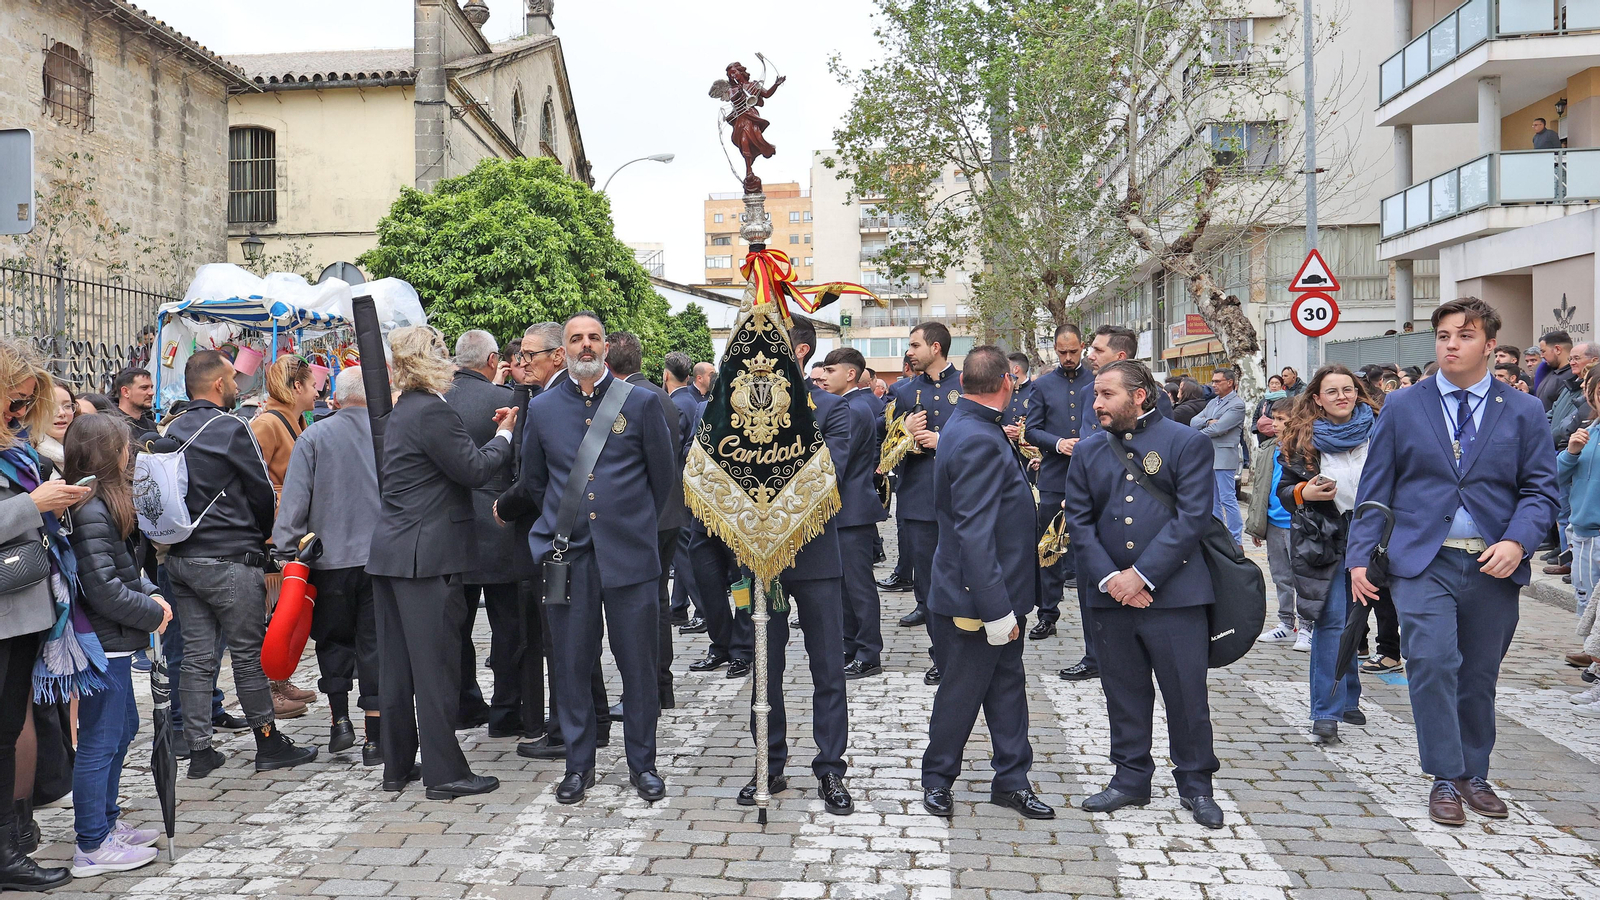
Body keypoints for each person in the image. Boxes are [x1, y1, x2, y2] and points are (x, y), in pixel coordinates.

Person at [1349, 296, 1559, 826]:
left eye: (1465, 335)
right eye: (1444, 335)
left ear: (1490, 345)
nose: (1451, 345)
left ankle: (1473, 773)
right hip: (1423, 561)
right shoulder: (1404, 405)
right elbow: (1376, 488)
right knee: (1433, 662)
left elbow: (1540, 490)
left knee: (1478, 674)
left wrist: (1517, 542)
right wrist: (1359, 558)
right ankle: (1444, 774)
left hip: (1494, 565)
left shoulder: (1524, 410)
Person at [513, 312, 673, 805]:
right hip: (570, 559)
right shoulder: (543, 408)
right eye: (576, 338)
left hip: (630, 558)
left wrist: (632, 526)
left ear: (606, 346)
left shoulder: (641, 403)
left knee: (638, 666)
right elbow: (534, 480)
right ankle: (578, 766)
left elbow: (663, 478)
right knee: (571, 665)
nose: (586, 345)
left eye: (594, 338)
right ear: (563, 349)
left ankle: (643, 765)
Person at [1063, 359, 1224, 828]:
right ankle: (1130, 778)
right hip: (1110, 597)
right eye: (1096, 395)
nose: (1097, 404)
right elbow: (1078, 522)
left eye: (1107, 394)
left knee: (1186, 696)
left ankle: (1196, 784)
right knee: (1123, 693)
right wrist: (1112, 579)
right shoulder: (1088, 451)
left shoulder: (1187, 442)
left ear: (1139, 395)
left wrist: (1142, 576)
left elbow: (1192, 518)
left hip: (1175, 596)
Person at [365, 326, 515, 799]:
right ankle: (445, 772)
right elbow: (474, 469)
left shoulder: (403, 409)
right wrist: (505, 435)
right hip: (426, 557)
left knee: (397, 669)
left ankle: (397, 766)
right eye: (444, 355)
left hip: (393, 553)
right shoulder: (431, 409)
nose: (451, 363)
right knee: (435, 669)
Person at [163, 350, 316, 779]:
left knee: (196, 658)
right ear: (217, 385)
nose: (237, 385)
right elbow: (261, 490)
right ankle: (268, 743)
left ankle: (199, 751)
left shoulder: (172, 428)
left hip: (183, 558)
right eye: (232, 378)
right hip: (230, 556)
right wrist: (264, 536)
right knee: (248, 656)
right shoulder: (231, 428)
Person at [920, 346, 1051, 821]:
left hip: (996, 591)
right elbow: (973, 534)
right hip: (976, 597)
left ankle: (1012, 779)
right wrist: (995, 610)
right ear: (1008, 382)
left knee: (1007, 686)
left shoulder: (972, 423)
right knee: (962, 690)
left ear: (962, 384)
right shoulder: (978, 436)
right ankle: (938, 778)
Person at [736, 319, 854, 815]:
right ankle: (769, 762)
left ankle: (830, 769)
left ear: (799, 351)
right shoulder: (736, 408)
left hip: (815, 554)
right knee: (765, 668)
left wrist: (771, 509)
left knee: (827, 667)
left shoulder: (832, 408)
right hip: (760, 561)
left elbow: (829, 476)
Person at [62, 414, 170, 876]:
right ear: (110, 453)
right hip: (104, 643)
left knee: (121, 730)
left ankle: (105, 823)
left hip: (116, 640)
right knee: (100, 740)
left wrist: (151, 594)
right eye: (125, 446)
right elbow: (102, 589)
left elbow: (123, 572)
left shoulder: (102, 504)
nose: (132, 453)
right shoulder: (91, 510)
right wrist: (151, 613)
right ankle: (91, 843)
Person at [0, 340, 83, 891]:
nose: (21, 411)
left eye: (28, 402)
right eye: (14, 399)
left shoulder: (16, 448)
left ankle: (8, 845)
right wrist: (34, 505)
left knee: (7, 731)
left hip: (26, 608)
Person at [273, 367, 384, 763]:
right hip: (378, 558)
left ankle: (340, 720)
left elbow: (295, 500)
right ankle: (375, 737)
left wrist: (286, 550)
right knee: (375, 643)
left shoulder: (315, 436)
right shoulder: (387, 434)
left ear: (336, 398)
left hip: (328, 559)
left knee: (333, 639)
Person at [1276, 365, 1380, 745]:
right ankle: (1326, 712)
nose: (1342, 397)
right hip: (1326, 536)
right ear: (1317, 399)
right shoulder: (1303, 438)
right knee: (1332, 618)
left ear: (1357, 392)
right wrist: (1304, 492)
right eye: (1332, 391)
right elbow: (1285, 493)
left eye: (1348, 389)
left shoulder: (1380, 431)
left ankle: (1348, 696)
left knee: (1356, 617)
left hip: (1375, 534)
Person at [443, 330, 524, 736]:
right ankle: (506, 711)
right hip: (498, 523)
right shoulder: (504, 400)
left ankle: (464, 704)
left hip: (452, 525)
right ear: (493, 361)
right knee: (507, 625)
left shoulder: (437, 402)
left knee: (456, 625)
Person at [607, 332, 686, 715]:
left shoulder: (626, 398)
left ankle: (647, 690)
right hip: (668, 512)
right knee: (656, 601)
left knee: (642, 606)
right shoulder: (660, 394)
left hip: (646, 515)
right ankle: (660, 687)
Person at [886, 322, 962, 684]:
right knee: (929, 584)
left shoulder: (966, 385)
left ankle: (966, 652)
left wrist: (941, 440)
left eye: (915, 345)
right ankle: (941, 655)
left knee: (963, 579)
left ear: (936, 347)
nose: (909, 352)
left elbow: (986, 433)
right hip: (918, 501)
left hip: (961, 498)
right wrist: (905, 435)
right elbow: (885, 450)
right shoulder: (902, 392)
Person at [248, 355, 320, 717]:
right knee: (272, 617)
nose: (318, 391)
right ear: (297, 386)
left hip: (290, 531)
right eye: (313, 384)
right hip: (272, 535)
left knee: (285, 614)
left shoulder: (297, 421)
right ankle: (269, 689)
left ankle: (280, 680)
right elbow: (252, 478)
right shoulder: (267, 424)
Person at [1023, 325, 1096, 641]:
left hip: (1093, 478)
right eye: (1062, 352)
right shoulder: (1042, 385)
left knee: (1090, 547)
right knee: (1050, 548)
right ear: (1054, 349)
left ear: (1083, 346)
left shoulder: (1097, 380)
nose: (1068, 357)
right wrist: (1058, 443)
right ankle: (1047, 613)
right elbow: (1031, 430)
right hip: (1054, 477)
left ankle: (1097, 614)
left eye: (1073, 351)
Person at [820, 347, 887, 680]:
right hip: (847, 510)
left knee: (858, 588)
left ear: (850, 374)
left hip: (852, 510)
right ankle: (851, 647)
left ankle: (868, 652)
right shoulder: (851, 405)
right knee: (845, 587)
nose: (823, 377)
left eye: (830, 370)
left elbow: (837, 464)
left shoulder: (851, 408)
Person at [1246, 401, 1305, 649]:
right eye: (1275, 418)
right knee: (1281, 576)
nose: (1275, 424)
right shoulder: (1268, 448)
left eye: (1282, 419)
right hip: (1273, 522)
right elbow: (1260, 487)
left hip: (1297, 523)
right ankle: (1286, 623)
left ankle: (1307, 626)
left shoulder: (1305, 448)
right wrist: (1257, 523)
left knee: (1302, 577)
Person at [1561, 375, 1600, 708]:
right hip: (1583, 534)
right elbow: (1555, 476)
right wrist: (1571, 452)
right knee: (1590, 613)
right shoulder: (1589, 432)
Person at [662, 352, 706, 633]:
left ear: (666, 374)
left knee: (685, 552)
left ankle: (703, 609)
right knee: (683, 550)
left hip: (679, 487)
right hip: (690, 486)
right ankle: (678, 607)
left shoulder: (675, 404)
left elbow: (670, 449)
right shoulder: (691, 401)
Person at [1195, 367, 1247, 545]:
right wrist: (1207, 421)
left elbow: (1219, 428)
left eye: (1218, 381)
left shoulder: (1237, 404)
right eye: (1213, 381)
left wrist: (1198, 433)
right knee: (1213, 499)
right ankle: (1218, 536)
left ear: (1230, 382)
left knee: (1227, 498)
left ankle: (1235, 538)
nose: (1213, 384)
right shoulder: (1213, 402)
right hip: (1209, 455)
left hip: (1224, 456)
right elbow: (1194, 421)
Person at [32, 383, 74, 478]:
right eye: (50, 406)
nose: (61, 413)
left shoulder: (87, 450)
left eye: (67, 406)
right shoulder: (28, 457)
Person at [110, 368, 156, 439]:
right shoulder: (110, 427)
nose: (151, 393)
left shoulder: (152, 427)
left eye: (151, 387)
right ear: (125, 392)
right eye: (144, 388)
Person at [1538, 329, 1574, 412]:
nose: (1541, 356)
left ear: (1557, 349)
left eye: (1543, 351)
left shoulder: (1571, 377)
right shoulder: (1550, 371)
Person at [1252, 375, 1286, 439]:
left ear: (1281, 386)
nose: (1274, 386)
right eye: (1272, 383)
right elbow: (1256, 416)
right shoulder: (1263, 401)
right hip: (1262, 435)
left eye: (1277, 383)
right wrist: (1256, 429)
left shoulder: (1285, 401)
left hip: (1278, 435)